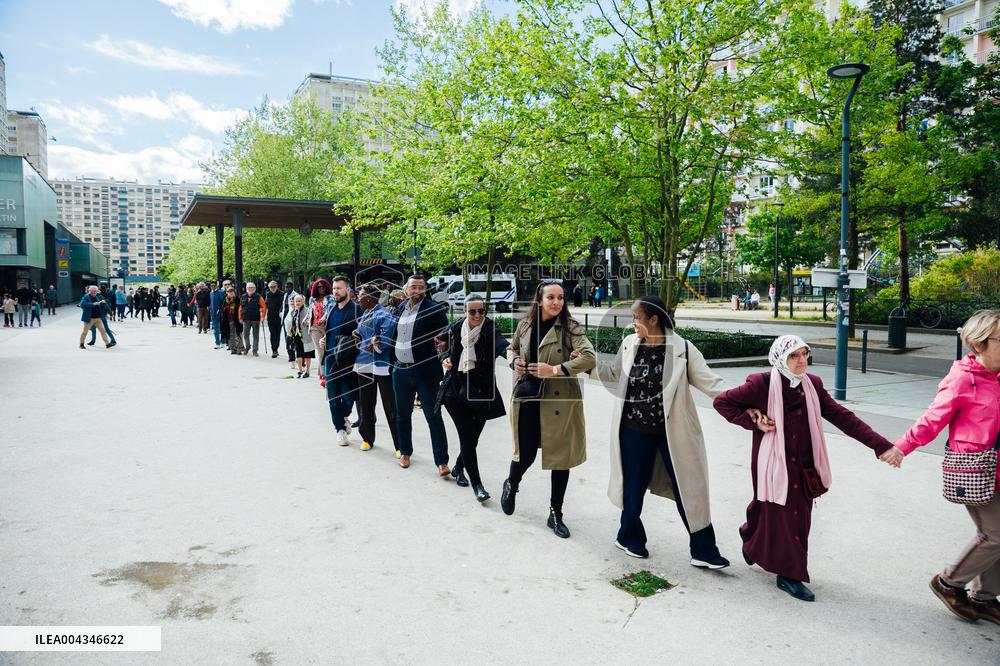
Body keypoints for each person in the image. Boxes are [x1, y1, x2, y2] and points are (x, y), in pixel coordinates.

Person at [712, 335, 893, 602]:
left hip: (805, 464)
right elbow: (722, 402)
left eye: (804, 354)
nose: (801, 361)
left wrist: (881, 445)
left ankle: (751, 534)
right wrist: (753, 421)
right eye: (794, 356)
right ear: (780, 358)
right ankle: (789, 575)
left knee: (794, 515)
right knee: (783, 513)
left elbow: (843, 417)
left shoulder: (813, 385)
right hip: (772, 461)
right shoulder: (760, 384)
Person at [589, 296, 731, 566]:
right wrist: (585, 363)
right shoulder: (630, 343)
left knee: (688, 489)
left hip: (672, 431)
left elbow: (713, 384)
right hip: (633, 428)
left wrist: (748, 402)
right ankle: (629, 537)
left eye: (636, 318)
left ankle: (704, 552)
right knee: (633, 486)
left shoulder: (683, 349)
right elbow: (615, 372)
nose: (632, 323)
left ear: (653, 319)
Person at [879, 310, 1000, 624]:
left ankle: (985, 598)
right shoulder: (963, 378)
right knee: (995, 534)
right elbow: (933, 420)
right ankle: (949, 583)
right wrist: (902, 447)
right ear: (981, 343)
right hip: (975, 467)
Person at [502, 280, 596, 539]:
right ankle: (512, 484)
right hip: (528, 396)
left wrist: (554, 370)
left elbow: (590, 357)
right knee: (527, 452)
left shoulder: (571, 328)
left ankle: (556, 513)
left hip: (559, 400)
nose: (557, 302)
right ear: (539, 299)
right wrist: (515, 362)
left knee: (560, 458)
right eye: (551, 297)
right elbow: (510, 349)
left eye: (561, 298)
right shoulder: (525, 324)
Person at [437, 295, 509, 502]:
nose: (477, 315)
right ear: (465, 312)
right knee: (467, 437)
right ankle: (477, 485)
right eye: (472, 311)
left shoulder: (490, 329)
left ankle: (459, 467)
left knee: (473, 437)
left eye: (481, 311)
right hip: (455, 391)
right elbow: (439, 342)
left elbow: (502, 346)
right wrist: (444, 357)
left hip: (481, 393)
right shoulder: (455, 328)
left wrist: (515, 358)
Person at [391, 275, 450, 472]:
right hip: (400, 370)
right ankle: (405, 452)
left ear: (426, 290)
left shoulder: (434, 310)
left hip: (425, 372)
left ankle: (442, 461)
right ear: (406, 289)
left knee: (433, 416)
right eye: (413, 287)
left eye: (420, 288)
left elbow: (446, 336)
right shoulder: (400, 308)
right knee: (402, 415)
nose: (416, 291)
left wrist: (443, 347)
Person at [351, 284, 398, 453]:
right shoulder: (366, 313)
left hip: (381, 365)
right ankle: (367, 438)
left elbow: (383, 340)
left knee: (390, 406)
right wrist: (357, 333)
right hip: (364, 364)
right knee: (366, 404)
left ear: (370, 298)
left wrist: (370, 342)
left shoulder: (384, 314)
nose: (358, 298)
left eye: (361, 295)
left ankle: (399, 445)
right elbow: (367, 335)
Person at [309, 279, 335, 382]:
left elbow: (330, 309)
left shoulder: (330, 298)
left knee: (327, 350)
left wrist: (324, 318)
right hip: (314, 327)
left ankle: (328, 372)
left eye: (323, 287)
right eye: (319, 287)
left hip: (326, 326)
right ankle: (323, 375)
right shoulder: (312, 299)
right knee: (320, 352)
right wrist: (305, 320)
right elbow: (310, 311)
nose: (321, 289)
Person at [284, 294, 314, 378]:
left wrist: (308, 324)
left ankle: (307, 371)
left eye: (299, 301)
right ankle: (300, 370)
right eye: (296, 301)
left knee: (308, 354)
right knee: (299, 353)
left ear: (303, 302)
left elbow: (311, 321)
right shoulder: (293, 312)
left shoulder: (307, 311)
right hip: (296, 335)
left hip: (306, 336)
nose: (297, 303)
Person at [239, 282, 266, 356]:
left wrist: (263, 317)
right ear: (247, 289)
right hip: (246, 319)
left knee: (255, 336)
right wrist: (240, 317)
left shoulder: (259, 297)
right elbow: (240, 308)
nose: (251, 289)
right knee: (245, 335)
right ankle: (247, 347)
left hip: (255, 319)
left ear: (255, 288)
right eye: (249, 287)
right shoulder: (243, 296)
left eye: (252, 287)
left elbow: (264, 307)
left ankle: (255, 350)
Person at [220, 286, 244, 355]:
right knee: (230, 335)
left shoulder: (237, 299)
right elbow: (222, 308)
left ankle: (239, 349)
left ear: (234, 292)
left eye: (231, 292)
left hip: (236, 319)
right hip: (228, 319)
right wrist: (224, 309)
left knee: (237, 334)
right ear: (227, 293)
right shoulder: (225, 300)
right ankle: (233, 349)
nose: (230, 293)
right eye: (229, 292)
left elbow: (240, 309)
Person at [264, 280, 285, 358]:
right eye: (270, 287)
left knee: (277, 334)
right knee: (272, 334)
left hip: (279, 318)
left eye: (274, 287)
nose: (272, 288)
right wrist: (262, 312)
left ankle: (276, 348)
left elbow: (283, 305)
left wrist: (282, 312)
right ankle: (274, 350)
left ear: (277, 286)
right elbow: (266, 304)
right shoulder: (268, 294)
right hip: (270, 317)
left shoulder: (282, 294)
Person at [281, 281, 298, 368]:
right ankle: (291, 355)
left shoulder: (295, 295)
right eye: (286, 287)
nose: (287, 288)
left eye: (288, 287)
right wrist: (281, 312)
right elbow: (283, 305)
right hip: (286, 318)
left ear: (292, 287)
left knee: (294, 339)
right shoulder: (285, 295)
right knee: (287, 338)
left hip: (294, 319)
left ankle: (295, 355)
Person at [209, 280, 225, 348]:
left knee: (222, 328)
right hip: (213, 313)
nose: (212, 287)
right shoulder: (210, 293)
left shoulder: (220, 292)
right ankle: (217, 343)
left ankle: (222, 342)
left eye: (214, 285)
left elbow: (223, 302)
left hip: (220, 312)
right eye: (211, 286)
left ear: (216, 285)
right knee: (216, 329)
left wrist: (220, 309)